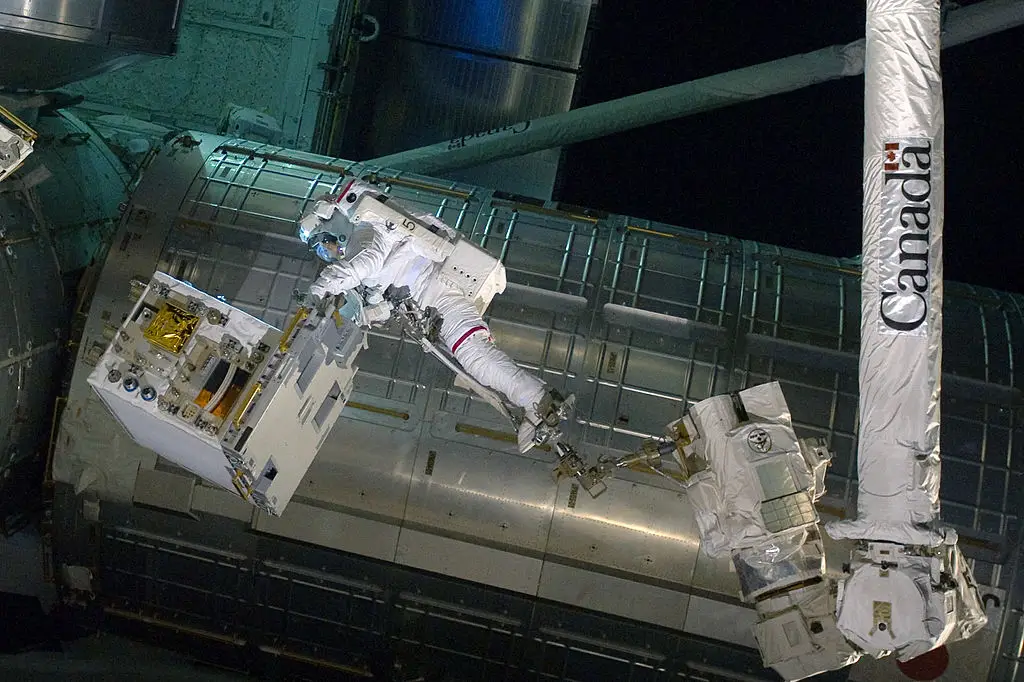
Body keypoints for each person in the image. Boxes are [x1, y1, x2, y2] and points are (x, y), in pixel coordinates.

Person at [299, 177, 572, 453]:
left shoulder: (367, 231)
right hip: (432, 299)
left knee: (474, 356)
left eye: (324, 245)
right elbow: (387, 292)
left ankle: (538, 400)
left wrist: (319, 289)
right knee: (471, 360)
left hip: (440, 292)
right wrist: (367, 314)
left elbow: (362, 265)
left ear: (331, 227)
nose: (328, 254)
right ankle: (535, 399)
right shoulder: (367, 239)